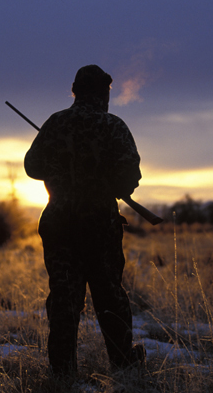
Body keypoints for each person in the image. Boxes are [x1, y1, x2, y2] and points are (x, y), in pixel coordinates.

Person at [24, 65, 145, 376]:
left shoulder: (55, 123)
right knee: (109, 295)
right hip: (100, 224)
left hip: (59, 223)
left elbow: (32, 167)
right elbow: (130, 175)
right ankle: (123, 364)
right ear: (103, 93)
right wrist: (108, 181)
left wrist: (61, 163)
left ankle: (62, 373)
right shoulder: (113, 126)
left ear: (75, 90)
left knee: (64, 297)